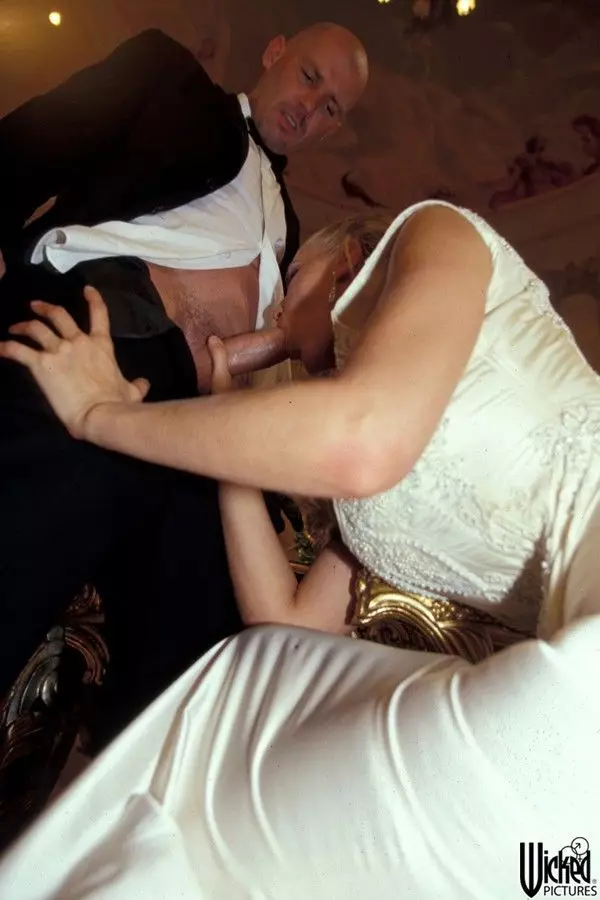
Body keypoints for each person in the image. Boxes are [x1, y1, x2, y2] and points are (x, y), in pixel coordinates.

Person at [0, 24, 368, 740]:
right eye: (310, 76)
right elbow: (28, 141)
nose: (311, 107)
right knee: (32, 524)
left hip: (196, 425)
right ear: (274, 51)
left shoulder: (290, 230)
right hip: (104, 329)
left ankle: (135, 800)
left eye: (333, 108)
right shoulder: (169, 78)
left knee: (203, 652)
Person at [5, 200, 600, 641]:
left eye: (291, 282)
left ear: (346, 263)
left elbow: (360, 440)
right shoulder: (366, 474)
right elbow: (285, 622)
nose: (276, 315)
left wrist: (100, 415)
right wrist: (225, 402)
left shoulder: (438, 231)